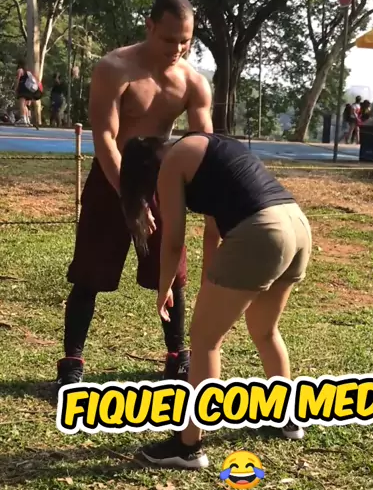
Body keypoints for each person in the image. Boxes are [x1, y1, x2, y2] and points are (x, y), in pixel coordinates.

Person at [119, 132, 313, 469]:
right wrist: (212, 281)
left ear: (146, 170)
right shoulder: (204, 147)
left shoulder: (170, 164)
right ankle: (287, 418)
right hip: (296, 225)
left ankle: (188, 445)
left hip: (262, 232)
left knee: (205, 341)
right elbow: (214, 231)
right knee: (265, 330)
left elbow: (173, 240)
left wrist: (164, 287)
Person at [55, 0, 213, 392]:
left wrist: (212, 201)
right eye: (168, 39)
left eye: (185, 41)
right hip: (112, 175)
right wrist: (130, 198)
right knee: (89, 274)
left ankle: (177, 357)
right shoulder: (115, 68)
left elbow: (204, 145)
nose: (177, 49)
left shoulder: (193, 82)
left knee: (172, 273)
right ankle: (72, 362)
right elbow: (105, 138)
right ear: (149, 26)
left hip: (161, 179)